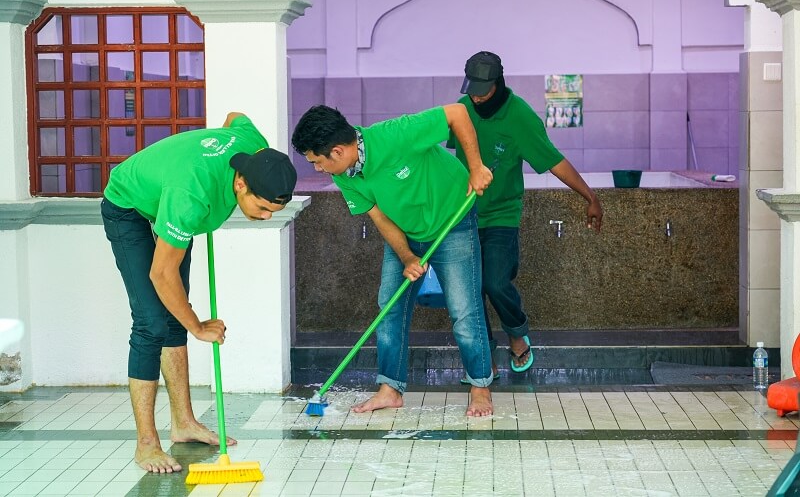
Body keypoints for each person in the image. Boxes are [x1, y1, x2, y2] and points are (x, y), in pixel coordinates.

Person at [101, 112, 297, 473]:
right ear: (241, 184)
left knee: (174, 315)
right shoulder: (191, 195)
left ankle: (184, 424)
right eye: (264, 208)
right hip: (128, 204)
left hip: (170, 198)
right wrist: (198, 327)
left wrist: (211, 144)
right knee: (151, 324)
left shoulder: (252, 147)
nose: (267, 217)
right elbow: (161, 273)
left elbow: (237, 118)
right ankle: (146, 445)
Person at [291, 104, 496, 416]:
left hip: (453, 218)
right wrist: (407, 256)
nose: (317, 169)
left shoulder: (396, 134)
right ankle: (390, 388)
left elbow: (457, 113)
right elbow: (379, 216)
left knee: (464, 309)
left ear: (337, 150)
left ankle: (480, 387)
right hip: (404, 230)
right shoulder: (346, 173)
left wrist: (477, 166)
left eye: (317, 162)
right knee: (389, 306)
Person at [449, 51, 603, 376]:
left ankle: (517, 333)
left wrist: (589, 196)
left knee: (494, 282)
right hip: (463, 215)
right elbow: (433, 148)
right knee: (469, 291)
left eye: (483, 89)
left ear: (499, 83)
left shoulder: (519, 116)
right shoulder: (462, 110)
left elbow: (554, 160)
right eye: (472, 89)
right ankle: (482, 358)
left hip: (502, 214)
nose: (476, 96)